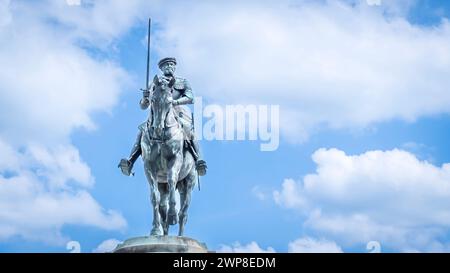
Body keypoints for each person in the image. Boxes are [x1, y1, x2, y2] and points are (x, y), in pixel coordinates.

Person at [119, 57, 207, 176]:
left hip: (177, 112)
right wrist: (145, 98)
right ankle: (130, 161)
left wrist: (174, 102)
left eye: (171, 65)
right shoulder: (155, 83)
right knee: (142, 131)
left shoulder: (183, 81)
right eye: (166, 65)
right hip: (158, 113)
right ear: (162, 69)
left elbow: (190, 98)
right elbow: (143, 106)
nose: (169, 67)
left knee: (188, 130)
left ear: (175, 67)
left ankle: (198, 161)